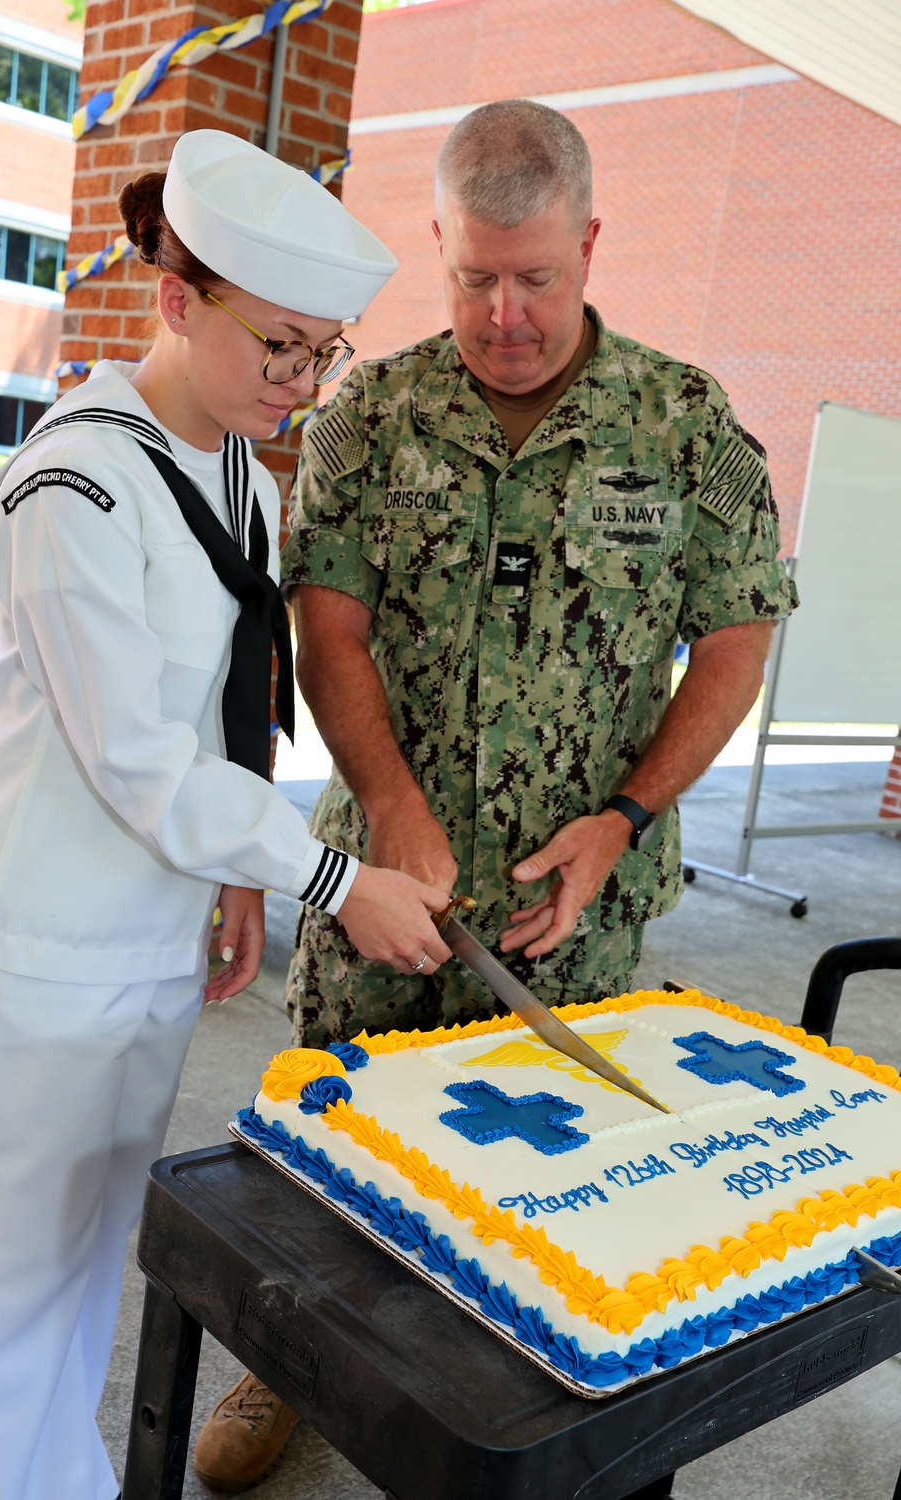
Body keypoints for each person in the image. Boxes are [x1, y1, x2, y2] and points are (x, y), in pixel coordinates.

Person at [193, 100, 797, 1494]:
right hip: (384, 885)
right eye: (475, 279)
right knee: (338, 1149)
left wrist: (625, 817)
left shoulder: (684, 424)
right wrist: (392, 805)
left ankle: (514, 1417)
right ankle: (281, 1367)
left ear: (590, 243)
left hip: (569, 915)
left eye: (538, 276)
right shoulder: (372, 414)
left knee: (550, 1180)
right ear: (438, 247)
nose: (507, 313)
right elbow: (326, 625)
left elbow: (740, 634)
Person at [0, 129, 451, 1500]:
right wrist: (330, 879)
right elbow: (139, 759)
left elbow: (235, 693)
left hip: (153, 929)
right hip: (43, 941)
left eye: (321, 353)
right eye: (282, 347)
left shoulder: (239, 475)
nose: (302, 382)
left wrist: (232, 882)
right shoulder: (73, 485)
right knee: (18, 1278)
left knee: (96, 1250)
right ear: (176, 298)